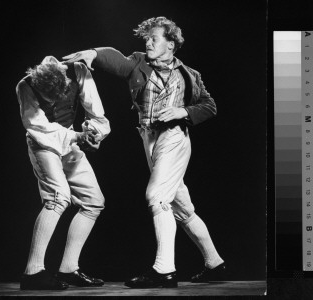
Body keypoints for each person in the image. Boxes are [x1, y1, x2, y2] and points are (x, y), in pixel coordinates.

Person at [63, 16, 225, 288]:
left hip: (174, 138)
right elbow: (116, 60)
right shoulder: (139, 63)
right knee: (181, 208)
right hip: (149, 139)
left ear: (171, 44)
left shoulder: (190, 75)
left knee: (156, 196)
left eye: (154, 39)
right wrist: (94, 53)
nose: (148, 43)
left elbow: (210, 106)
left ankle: (164, 270)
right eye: (146, 39)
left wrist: (183, 111)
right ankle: (214, 263)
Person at [16, 56, 110, 290]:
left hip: (69, 138)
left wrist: (94, 133)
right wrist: (77, 136)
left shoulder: (78, 71)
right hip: (42, 142)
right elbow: (38, 126)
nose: (54, 101)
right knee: (58, 198)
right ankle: (33, 272)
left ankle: (68, 269)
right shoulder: (25, 86)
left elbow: (96, 113)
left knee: (94, 202)